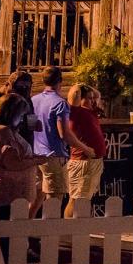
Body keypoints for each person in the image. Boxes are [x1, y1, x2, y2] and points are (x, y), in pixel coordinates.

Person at [0, 93, 49, 227]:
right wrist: (36, 161)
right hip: (5, 195)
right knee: (9, 238)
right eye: (21, 115)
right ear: (12, 113)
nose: (22, 120)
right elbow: (12, 163)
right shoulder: (3, 132)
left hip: (0, 192)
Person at [32, 67, 94, 212]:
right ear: (60, 81)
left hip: (35, 155)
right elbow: (64, 134)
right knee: (54, 199)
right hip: (53, 156)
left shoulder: (33, 100)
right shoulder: (60, 103)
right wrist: (85, 148)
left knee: (37, 196)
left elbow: (31, 127)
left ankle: (26, 229)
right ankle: (48, 233)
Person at [65, 84, 106, 218]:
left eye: (92, 98)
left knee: (84, 198)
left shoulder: (91, 111)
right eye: (88, 98)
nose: (93, 101)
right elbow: (74, 94)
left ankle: (76, 231)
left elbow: (98, 94)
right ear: (80, 99)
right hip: (83, 161)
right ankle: (68, 233)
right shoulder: (75, 112)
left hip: (93, 162)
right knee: (77, 199)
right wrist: (79, 85)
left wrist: (89, 90)